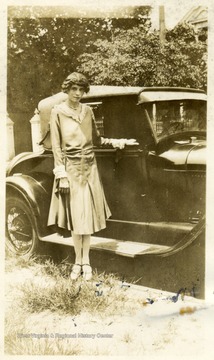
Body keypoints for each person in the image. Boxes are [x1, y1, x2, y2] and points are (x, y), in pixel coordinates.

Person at [47, 72, 138, 281]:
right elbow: (57, 147)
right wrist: (61, 175)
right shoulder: (57, 112)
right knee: (76, 218)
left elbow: (97, 139)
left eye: (81, 90)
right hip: (70, 170)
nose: (78, 93)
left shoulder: (88, 111)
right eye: (74, 89)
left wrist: (119, 142)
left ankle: (85, 261)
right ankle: (76, 262)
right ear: (67, 90)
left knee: (86, 218)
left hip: (90, 169)